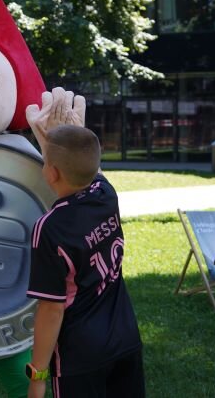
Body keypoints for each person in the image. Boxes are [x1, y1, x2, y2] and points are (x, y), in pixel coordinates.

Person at [25, 125, 144, 398]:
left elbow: (51, 310)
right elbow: (89, 167)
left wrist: (37, 376)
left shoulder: (50, 228)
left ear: (52, 173)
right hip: (126, 339)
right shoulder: (106, 194)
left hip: (78, 356)